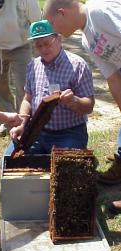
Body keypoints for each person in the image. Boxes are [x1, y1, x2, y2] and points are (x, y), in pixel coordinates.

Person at [43, 0, 121, 213]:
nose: (53, 31)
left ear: (61, 13)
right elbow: (113, 78)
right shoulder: (87, 40)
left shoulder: (99, 12)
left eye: (52, 24)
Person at [7, 19, 94, 156]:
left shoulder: (78, 66)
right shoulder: (33, 66)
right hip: (37, 131)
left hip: (69, 133)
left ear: (59, 39)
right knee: (10, 160)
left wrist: (74, 101)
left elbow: (89, 106)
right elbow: (27, 100)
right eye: (38, 45)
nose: (43, 49)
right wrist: (22, 125)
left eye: (47, 43)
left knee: (67, 167)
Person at [0, 0, 41, 137]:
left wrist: (40, 53)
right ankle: (5, 123)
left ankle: (23, 122)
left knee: (24, 86)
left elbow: (37, 20)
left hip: (21, 46)